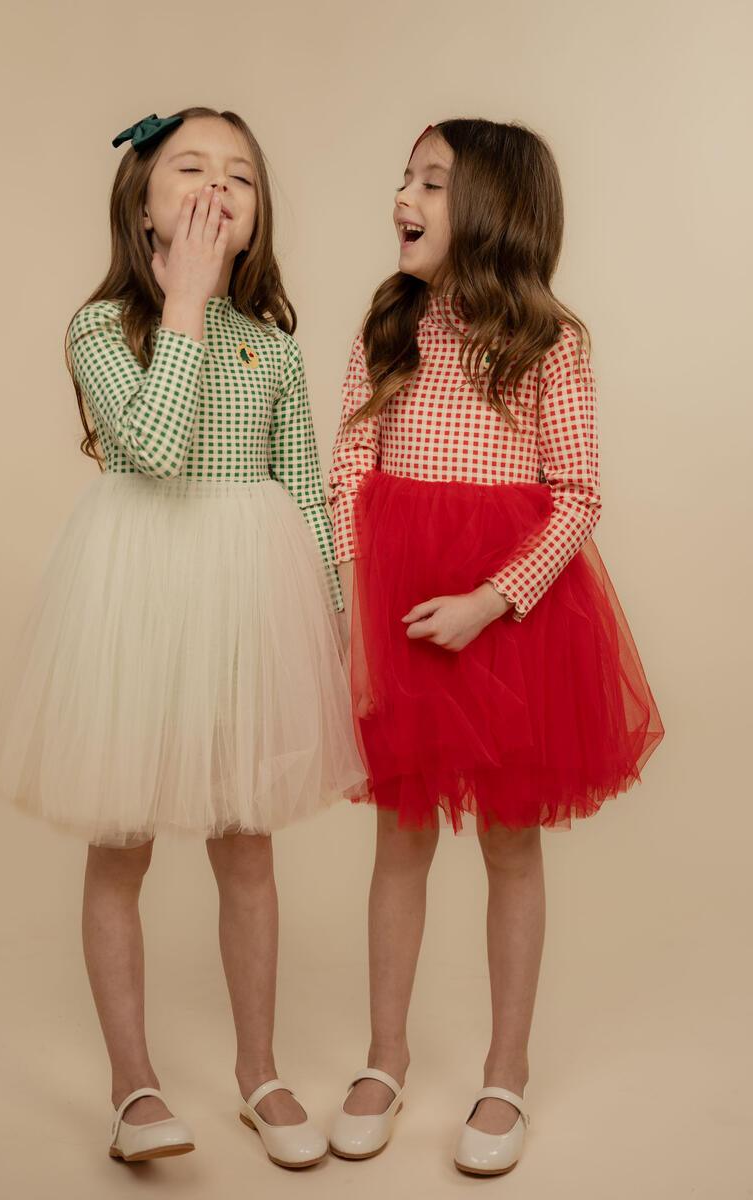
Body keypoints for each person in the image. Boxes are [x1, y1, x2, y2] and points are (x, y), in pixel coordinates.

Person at [0, 106, 365, 1169]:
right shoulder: (101, 327)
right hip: (139, 598)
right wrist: (184, 304)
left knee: (248, 844)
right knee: (123, 838)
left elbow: (306, 489)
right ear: (141, 204)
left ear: (256, 213)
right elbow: (147, 446)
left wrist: (335, 615)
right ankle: (131, 1083)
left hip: (249, 604)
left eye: (238, 174)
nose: (216, 185)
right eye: (190, 166)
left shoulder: (273, 348)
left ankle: (257, 1071)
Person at [325, 118, 664, 1175]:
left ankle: (503, 1073)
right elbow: (345, 469)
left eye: (430, 180)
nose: (402, 195)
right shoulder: (389, 322)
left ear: (491, 208)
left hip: (504, 619)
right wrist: (351, 608)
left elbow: (577, 494)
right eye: (404, 176)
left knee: (510, 843)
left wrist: (489, 598)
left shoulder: (549, 342)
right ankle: (383, 1058)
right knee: (399, 836)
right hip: (397, 609)